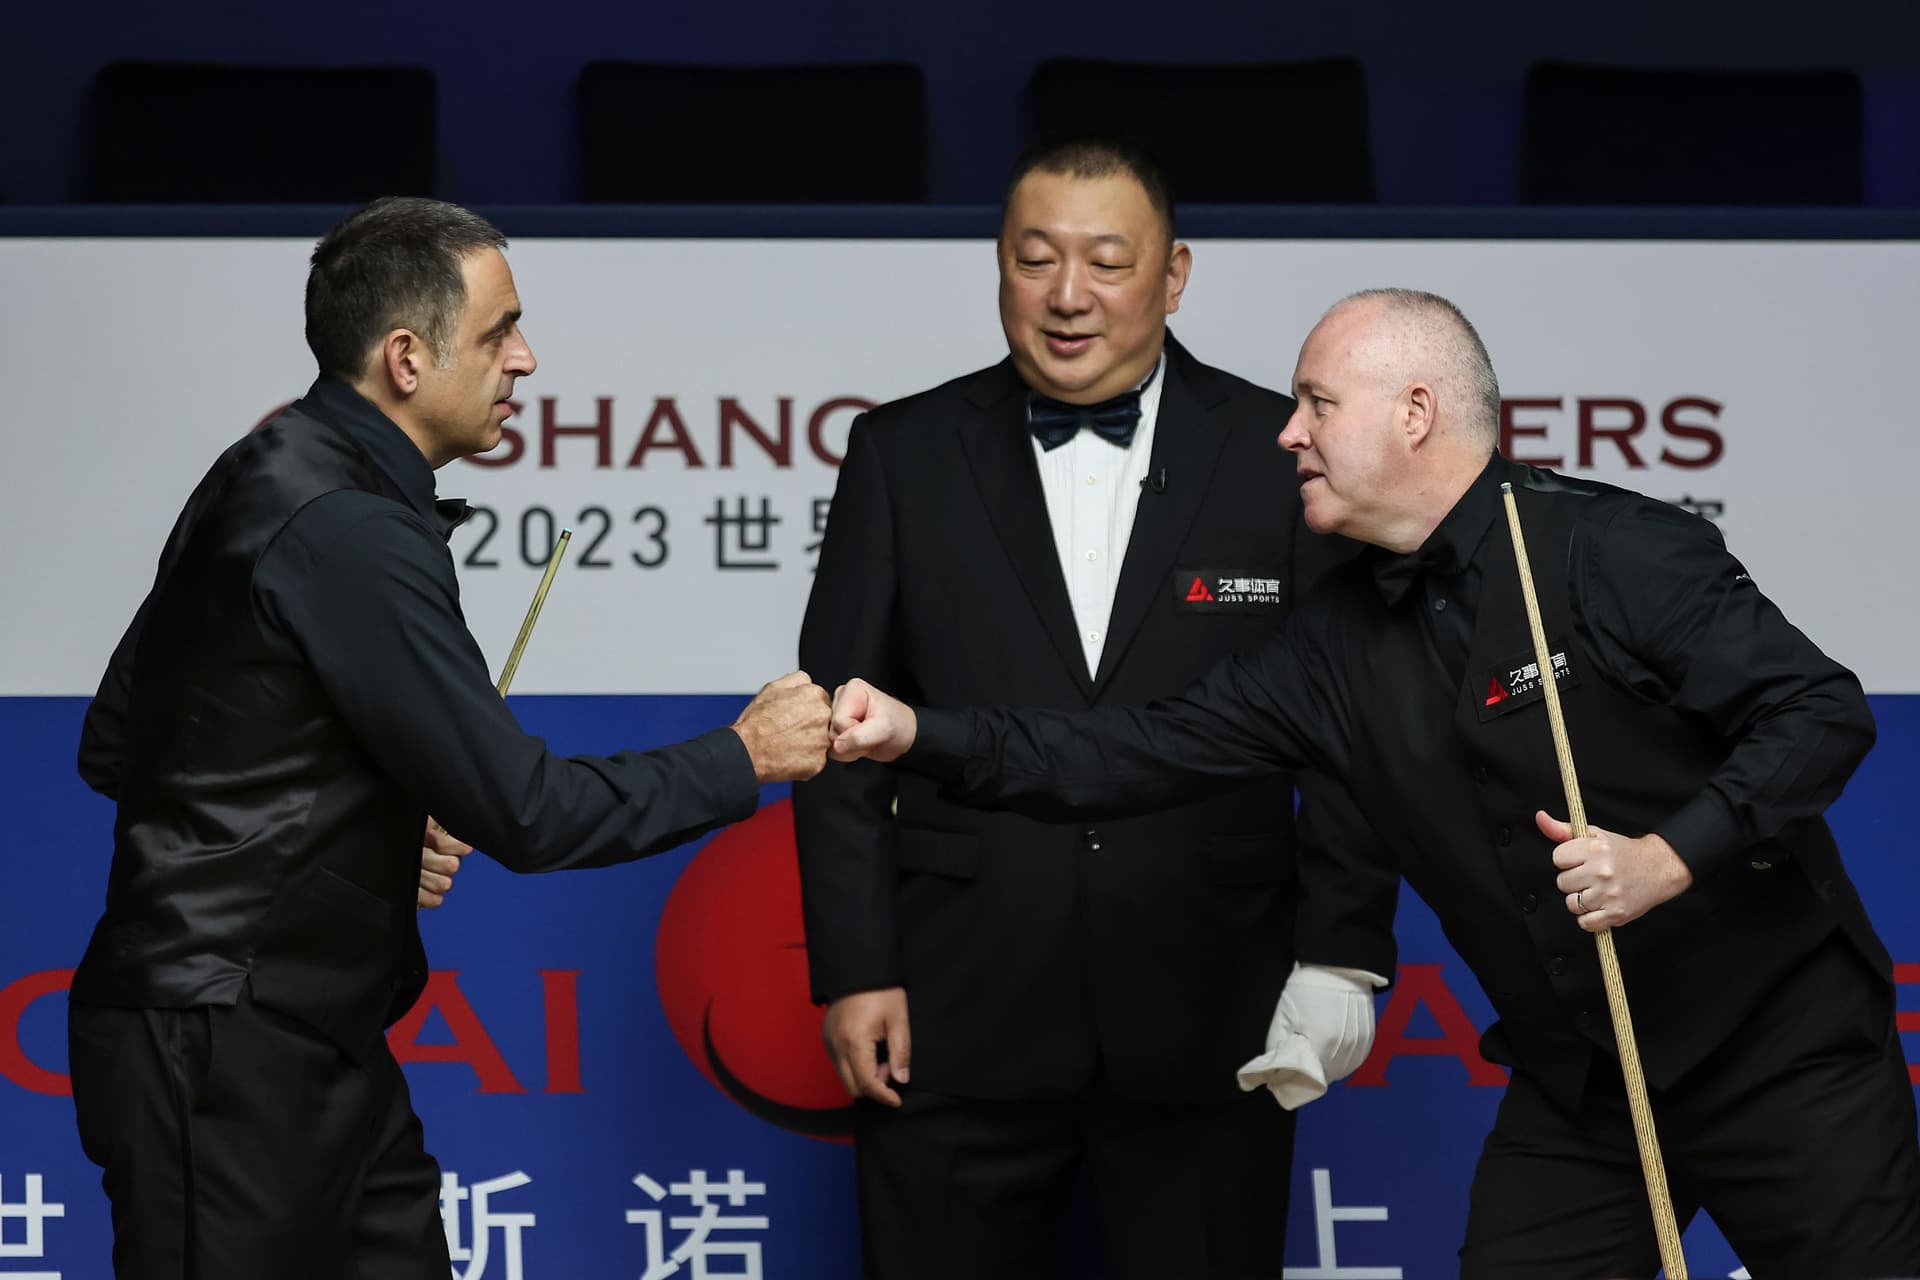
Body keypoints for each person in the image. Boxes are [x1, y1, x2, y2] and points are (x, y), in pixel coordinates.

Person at [829, 288, 1920, 1279]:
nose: (1287, 431)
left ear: (1413, 413)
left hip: (1784, 1055)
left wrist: (1667, 855)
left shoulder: (1611, 549)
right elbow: (1128, 750)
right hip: (1583, 1083)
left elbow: (1821, 711)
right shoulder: (1331, 644)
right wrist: (916, 729)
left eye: (1316, 403)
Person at [68, 196, 832, 1278]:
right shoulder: (349, 527)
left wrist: (363, 822)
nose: (527, 359)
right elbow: (526, 809)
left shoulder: (265, 468)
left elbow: (120, 742)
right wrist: (744, 754)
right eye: (499, 331)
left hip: (298, 1039)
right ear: (406, 357)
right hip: (226, 1046)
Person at [792, 137, 1398, 1280]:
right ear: (1000, 268)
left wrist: (1342, 953)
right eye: (1036, 260)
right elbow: (840, 728)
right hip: (953, 1007)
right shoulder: (901, 453)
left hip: (1214, 1006)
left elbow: (1351, 730)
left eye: (1107, 262)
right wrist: (856, 966)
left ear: (1173, 275)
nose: (1068, 297)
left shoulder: (1283, 455)